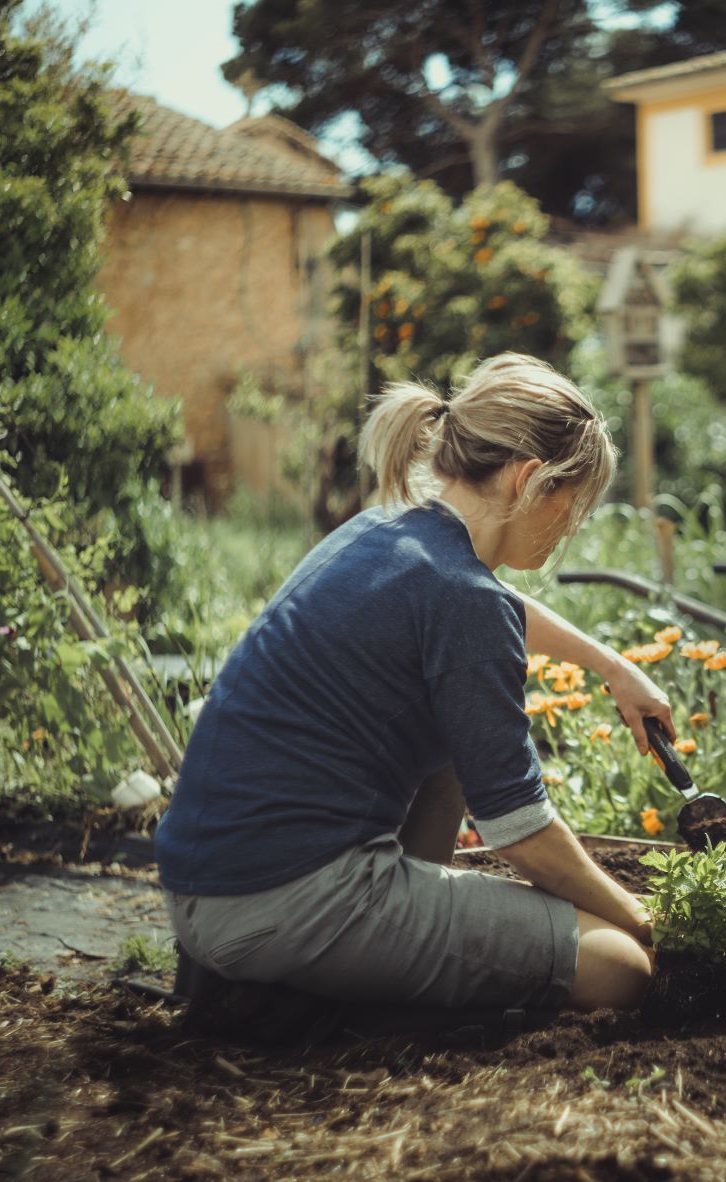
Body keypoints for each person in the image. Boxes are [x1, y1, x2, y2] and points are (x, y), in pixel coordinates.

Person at [155, 353, 666, 1026]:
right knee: (621, 964)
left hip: (208, 889)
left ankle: (338, 963)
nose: (568, 530)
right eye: (570, 509)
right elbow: (518, 832)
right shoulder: (461, 601)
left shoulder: (385, 532)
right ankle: (325, 983)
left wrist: (611, 666)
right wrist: (642, 919)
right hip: (289, 903)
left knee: (459, 730)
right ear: (530, 480)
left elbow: (491, 607)